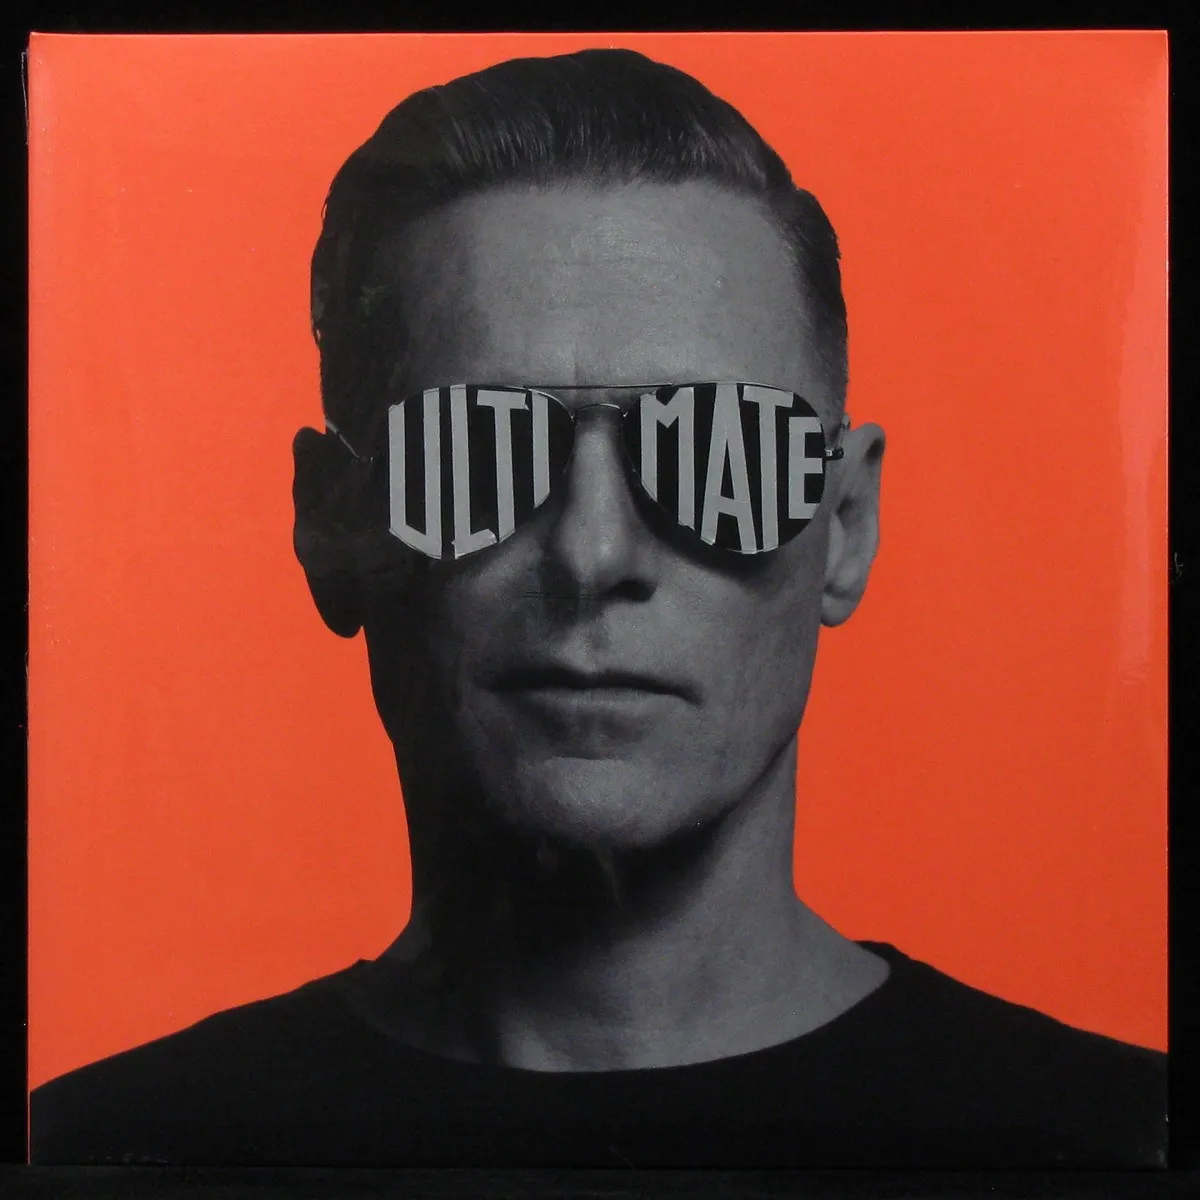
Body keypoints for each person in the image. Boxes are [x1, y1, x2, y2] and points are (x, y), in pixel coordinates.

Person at [30, 48, 1166, 1168]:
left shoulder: (1115, 1143)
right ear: (336, 525)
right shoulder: (103, 1152)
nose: (592, 551)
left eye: (718, 454)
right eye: (475, 453)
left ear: (847, 525)